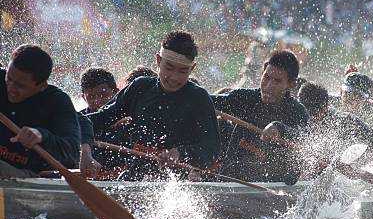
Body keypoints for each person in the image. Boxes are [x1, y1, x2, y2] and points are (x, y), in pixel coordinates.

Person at [86, 30, 221, 180]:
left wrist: (180, 153)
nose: (174, 78)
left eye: (183, 71)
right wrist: (68, 121)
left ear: (192, 68)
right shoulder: (140, 87)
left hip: (177, 184)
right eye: (169, 68)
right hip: (135, 179)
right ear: (158, 60)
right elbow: (103, 118)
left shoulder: (199, 98)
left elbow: (212, 149)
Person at [212, 50, 308, 184]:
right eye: (266, 77)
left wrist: (280, 128)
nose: (268, 86)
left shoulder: (297, 111)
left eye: (277, 81)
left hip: (275, 188)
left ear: (290, 84)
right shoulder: (245, 98)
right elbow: (208, 101)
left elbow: (305, 140)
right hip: (231, 183)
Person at [0, 44, 80, 178]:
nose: (11, 88)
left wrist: (42, 136)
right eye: (9, 78)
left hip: (30, 174)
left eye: (20, 85)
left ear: (42, 86)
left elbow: (71, 153)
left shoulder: (58, 101)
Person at [298, 81, 373, 174]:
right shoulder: (294, 114)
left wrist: (354, 165)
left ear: (325, 107)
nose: (311, 120)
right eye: (307, 114)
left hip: (336, 177)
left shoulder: (345, 121)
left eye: (315, 114)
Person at [77, 67, 131, 177]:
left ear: (116, 93)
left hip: (122, 178)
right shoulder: (78, 121)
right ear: (83, 98)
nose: (97, 101)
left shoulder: (128, 119)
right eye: (91, 97)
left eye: (103, 95)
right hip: (89, 178)